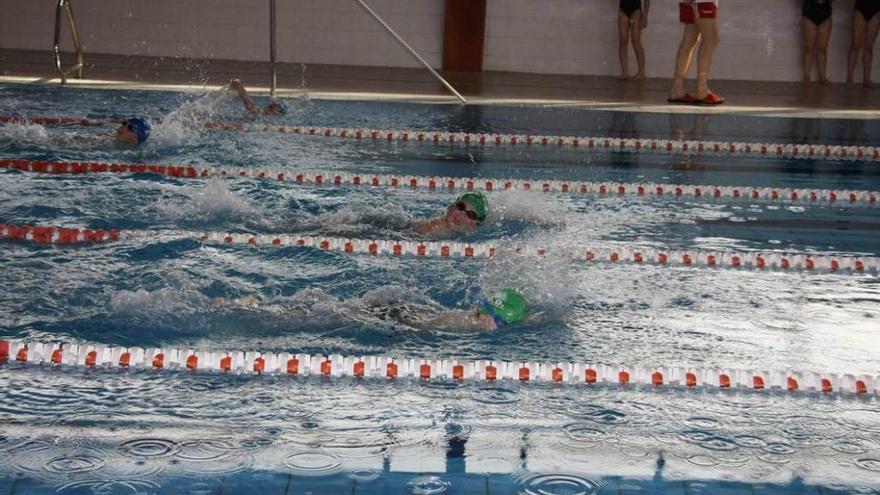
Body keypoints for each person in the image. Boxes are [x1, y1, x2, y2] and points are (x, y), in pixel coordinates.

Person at [213, 287, 533, 333]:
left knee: (321, 310)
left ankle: (262, 306)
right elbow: (423, 329)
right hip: (391, 317)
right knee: (316, 318)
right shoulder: (468, 325)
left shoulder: (472, 317)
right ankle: (256, 310)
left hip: (396, 308)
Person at [667, 0, 723, 105]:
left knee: (690, 41)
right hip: (702, 1)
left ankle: (677, 89)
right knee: (711, 39)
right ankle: (702, 90)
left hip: (698, 2)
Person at [412, 192, 488, 236]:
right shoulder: (429, 230)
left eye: (471, 214)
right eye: (461, 207)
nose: (462, 215)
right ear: (451, 206)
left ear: (475, 224)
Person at [847, 0, 880, 86]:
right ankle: (850, 79)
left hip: (876, 9)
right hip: (860, 8)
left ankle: (866, 79)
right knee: (855, 44)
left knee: (869, 46)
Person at [802, 0, 834, 84]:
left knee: (822, 48)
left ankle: (822, 77)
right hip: (809, 12)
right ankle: (807, 77)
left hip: (825, 13)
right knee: (808, 48)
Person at [618, 0, 651, 80]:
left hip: (636, 10)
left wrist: (645, 16)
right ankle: (624, 73)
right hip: (623, 9)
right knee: (623, 41)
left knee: (636, 42)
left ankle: (641, 72)